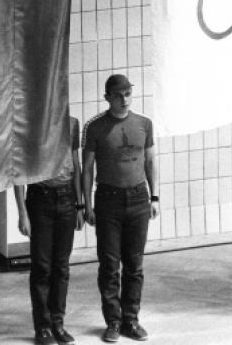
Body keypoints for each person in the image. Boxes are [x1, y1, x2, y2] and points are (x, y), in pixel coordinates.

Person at [82, 74, 159, 342]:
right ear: (107, 98)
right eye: (118, 95)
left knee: (134, 265)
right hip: (108, 200)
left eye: (128, 93)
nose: (124, 99)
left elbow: (150, 162)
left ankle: (131, 319)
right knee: (109, 265)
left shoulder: (144, 124)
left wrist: (155, 197)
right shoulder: (95, 128)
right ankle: (113, 321)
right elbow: (87, 169)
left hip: (138, 199)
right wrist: (86, 204)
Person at [13, 114, 84, 345]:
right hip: (40, 199)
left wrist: (79, 204)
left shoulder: (72, 124)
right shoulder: (31, 124)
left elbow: (75, 163)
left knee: (61, 266)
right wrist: (22, 212)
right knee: (42, 266)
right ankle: (42, 327)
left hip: (65, 199)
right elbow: (18, 169)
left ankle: (58, 323)